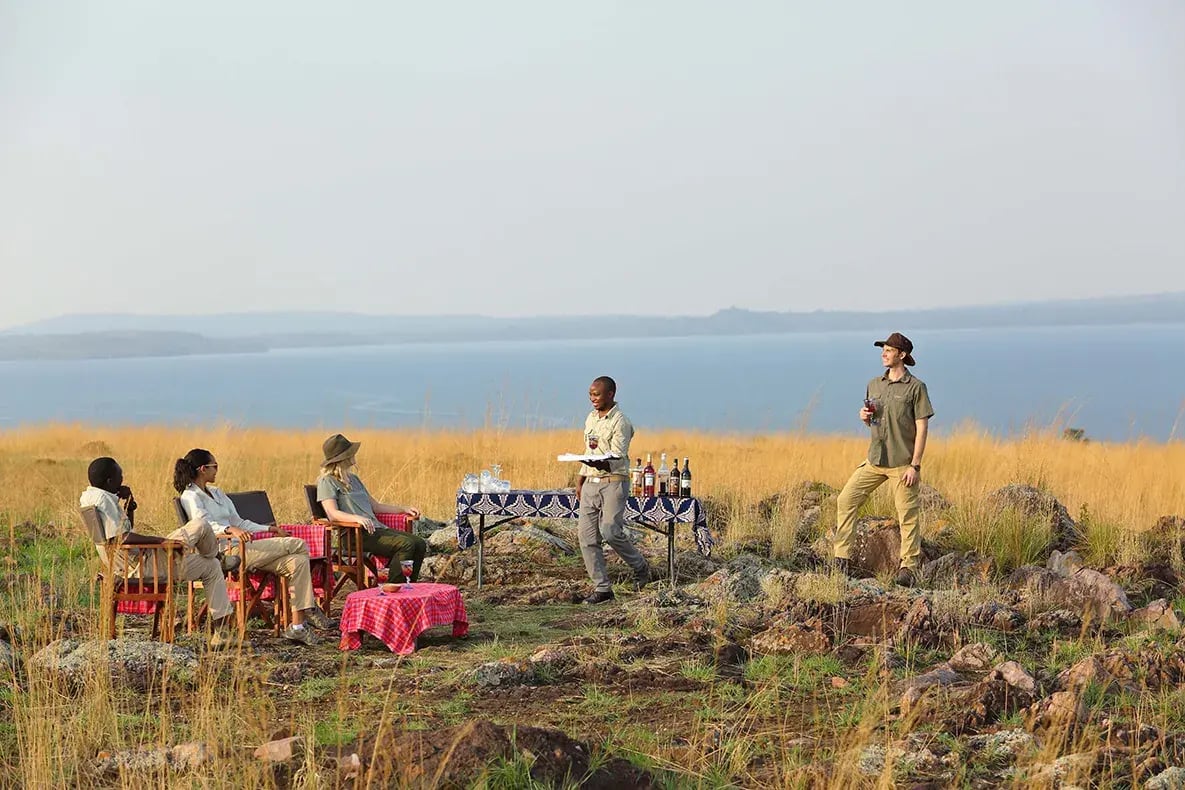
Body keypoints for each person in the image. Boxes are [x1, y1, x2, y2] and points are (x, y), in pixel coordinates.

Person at [175, 448, 334, 646]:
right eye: (214, 466)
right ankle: (309, 609)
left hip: (244, 546)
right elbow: (202, 526)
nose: (217, 470)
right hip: (225, 552)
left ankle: (297, 627)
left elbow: (240, 522)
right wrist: (229, 529)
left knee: (298, 561)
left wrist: (270, 528)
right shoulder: (190, 496)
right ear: (202, 469)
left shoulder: (217, 492)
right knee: (299, 544)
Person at [81, 456, 239, 648]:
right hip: (144, 565)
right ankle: (218, 560)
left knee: (210, 564)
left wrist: (129, 505)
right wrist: (162, 541)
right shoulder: (104, 500)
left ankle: (216, 561)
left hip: (129, 562)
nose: (122, 479)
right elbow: (121, 538)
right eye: (119, 475)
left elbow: (123, 531)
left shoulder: (90, 496)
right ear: (109, 481)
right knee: (201, 526)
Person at [833, 333, 934, 586]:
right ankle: (841, 559)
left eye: (889, 350)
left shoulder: (916, 388)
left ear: (902, 355)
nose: (884, 354)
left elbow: (922, 428)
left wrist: (915, 465)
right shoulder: (874, 384)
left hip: (902, 464)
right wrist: (865, 418)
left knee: (907, 515)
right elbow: (875, 421)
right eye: (883, 350)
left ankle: (908, 567)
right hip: (875, 460)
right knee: (846, 499)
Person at [574, 376, 651, 604]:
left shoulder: (621, 422)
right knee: (586, 537)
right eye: (590, 394)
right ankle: (603, 589)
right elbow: (588, 449)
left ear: (611, 394)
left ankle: (640, 566)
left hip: (613, 482)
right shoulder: (590, 418)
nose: (593, 399)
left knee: (610, 531)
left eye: (597, 394)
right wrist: (580, 477)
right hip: (590, 483)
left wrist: (600, 464)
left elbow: (617, 456)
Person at [315, 434, 428, 580]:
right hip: (354, 535)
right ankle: (393, 587)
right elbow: (332, 513)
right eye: (350, 452)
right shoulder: (327, 482)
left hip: (375, 530)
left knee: (419, 543)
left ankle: (408, 584)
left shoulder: (354, 479)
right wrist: (357, 518)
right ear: (342, 458)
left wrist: (403, 509)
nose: (354, 455)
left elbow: (375, 506)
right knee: (406, 544)